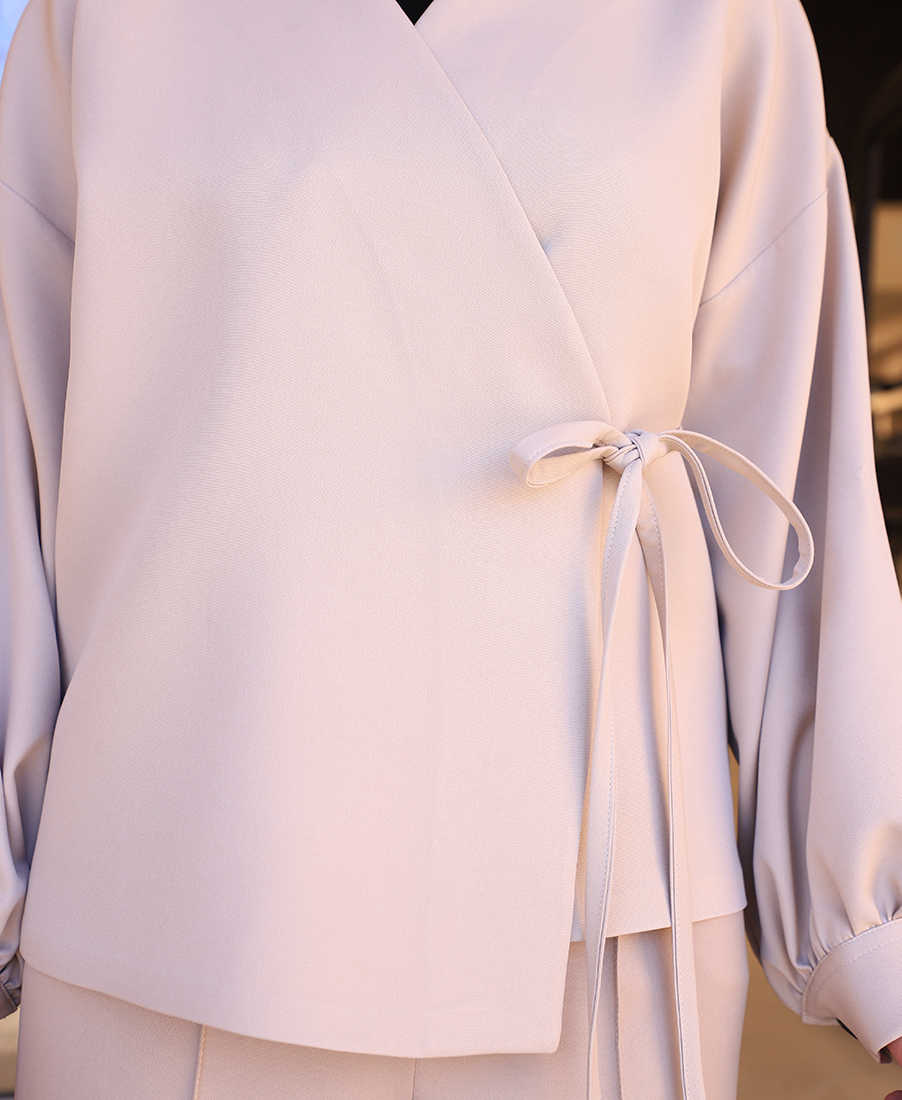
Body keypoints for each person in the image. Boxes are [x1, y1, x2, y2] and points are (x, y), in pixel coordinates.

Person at [1, 0, 902, 1097]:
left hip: (597, 907)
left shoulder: (718, 18)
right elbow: (13, 465)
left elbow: (795, 477)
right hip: (172, 894)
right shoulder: (102, 22)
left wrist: (878, 926)